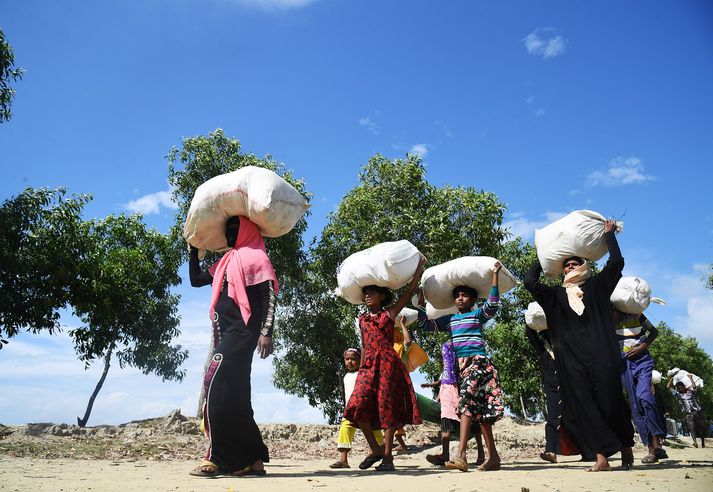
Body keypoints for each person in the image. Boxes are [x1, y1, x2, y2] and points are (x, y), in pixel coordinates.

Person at [524, 220, 635, 472]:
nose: (571, 266)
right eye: (566, 265)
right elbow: (530, 282)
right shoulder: (554, 296)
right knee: (583, 405)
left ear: (585, 265)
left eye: (575, 262)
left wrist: (609, 236)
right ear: (561, 272)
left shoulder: (597, 286)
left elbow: (616, 264)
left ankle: (625, 442)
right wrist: (542, 257)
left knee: (611, 400)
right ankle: (601, 457)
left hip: (602, 354)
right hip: (571, 360)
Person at [188, 216, 277, 477]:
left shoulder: (257, 258)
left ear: (247, 231)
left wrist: (266, 332)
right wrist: (193, 251)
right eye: (227, 229)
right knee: (237, 397)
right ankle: (253, 459)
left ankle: (219, 459)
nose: (229, 234)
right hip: (224, 333)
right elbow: (196, 279)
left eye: (235, 229)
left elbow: (269, 295)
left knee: (214, 385)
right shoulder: (226, 261)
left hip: (242, 333)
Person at [417, 262, 505, 472]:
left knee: (465, 404)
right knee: (481, 414)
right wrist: (420, 304)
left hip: (479, 364)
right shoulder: (450, 320)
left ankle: (461, 454)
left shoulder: (477, 316)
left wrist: (494, 276)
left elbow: (492, 305)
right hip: (463, 368)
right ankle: (493, 458)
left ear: (473, 300)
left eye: (465, 295)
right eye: (457, 296)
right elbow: (424, 325)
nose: (460, 298)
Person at [343, 254, 427, 472]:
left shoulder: (388, 315)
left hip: (388, 364)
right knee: (355, 406)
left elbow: (408, 293)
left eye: (372, 292)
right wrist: (362, 366)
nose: (368, 295)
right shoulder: (362, 319)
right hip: (368, 365)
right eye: (366, 293)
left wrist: (419, 267)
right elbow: (363, 344)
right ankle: (377, 448)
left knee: (386, 408)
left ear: (382, 295)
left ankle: (388, 457)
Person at [525, 324, 594, 464]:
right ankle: (551, 451)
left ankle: (587, 452)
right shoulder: (543, 349)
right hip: (551, 387)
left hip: (568, 386)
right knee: (552, 419)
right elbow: (531, 334)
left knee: (569, 419)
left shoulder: (566, 347)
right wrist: (529, 321)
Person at [613, 309, 667, 462]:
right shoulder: (610, 317)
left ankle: (658, 444)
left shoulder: (638, 314)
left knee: (645, 398)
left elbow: (654, 332)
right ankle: (651, 449)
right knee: (636, 406)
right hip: (624, 364)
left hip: (642, 360)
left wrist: (643, 346)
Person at [421, 340, 485, 467]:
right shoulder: (446, 368)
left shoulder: (461, 349)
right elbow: (442, 380)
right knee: (446, 419)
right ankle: (445, 454)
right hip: (448, 392)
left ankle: (480, 454)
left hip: (461, 386)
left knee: (472, 417)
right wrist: (430, 386)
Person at [330, 348, 385, 469]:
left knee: (375, 432)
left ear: (360, 360)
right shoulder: (346, 376)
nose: (349, 362)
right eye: (347, 359)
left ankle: (383, 453)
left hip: (365, 410)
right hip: (350, 411)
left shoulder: (363, 374)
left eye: (353, 359)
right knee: (345, 430)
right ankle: (343, 460)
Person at [668, 374, 707, 448]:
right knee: (691, 427)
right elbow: (668, 387)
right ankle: (695, 442)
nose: (680, 389)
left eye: (681, 388)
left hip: (697, 412)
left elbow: (694, 387)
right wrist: (671, 379)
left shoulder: (690, 392)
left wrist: (691, 378)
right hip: (688, 414)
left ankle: (702, 441)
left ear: (684, 387)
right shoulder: (679, 395)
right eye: (678, 388)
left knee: (701, 427)